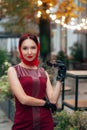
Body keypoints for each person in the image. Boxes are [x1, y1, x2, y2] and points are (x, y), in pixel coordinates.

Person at [8, 33, 66, 130]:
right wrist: (45, 103)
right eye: (25, 48)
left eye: (33, 48)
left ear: (37, 49)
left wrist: (60, 77)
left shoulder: (43, 72)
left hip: (45, 122)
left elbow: (53, 100)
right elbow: (23, 99)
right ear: (20, 50)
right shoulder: (14, 70)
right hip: (23, 123)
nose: (29, 52)